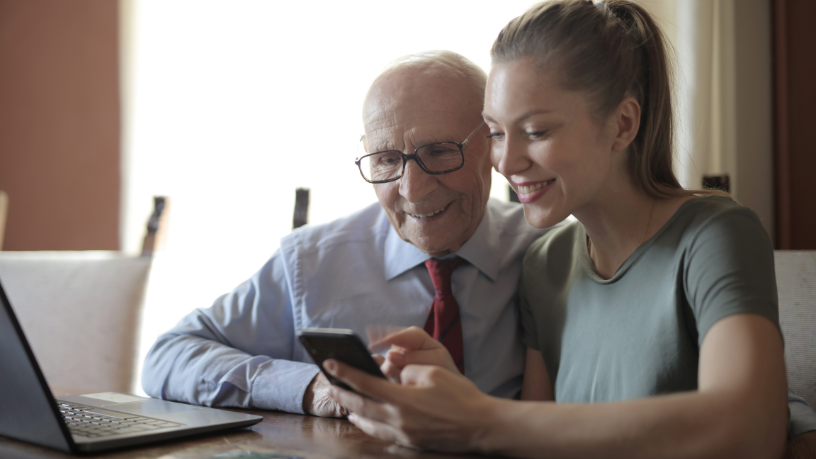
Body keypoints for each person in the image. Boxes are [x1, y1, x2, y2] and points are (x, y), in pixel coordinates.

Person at [325, 1, 816, 457]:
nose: (506, 161)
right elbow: (541, 439)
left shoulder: (715, 234)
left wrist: (479, 417)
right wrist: (454, 398)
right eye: (495, 133)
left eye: (536, 131)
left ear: (623, 124)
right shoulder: (547, 261)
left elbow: (752, 428)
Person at [141, 50, 548, 417]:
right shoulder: (312, 262)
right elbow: (168, 356)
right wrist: (310, 387)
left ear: (494, 144)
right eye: (387, 160)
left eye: (440, 152)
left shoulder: (551, 256)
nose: (412, 189)